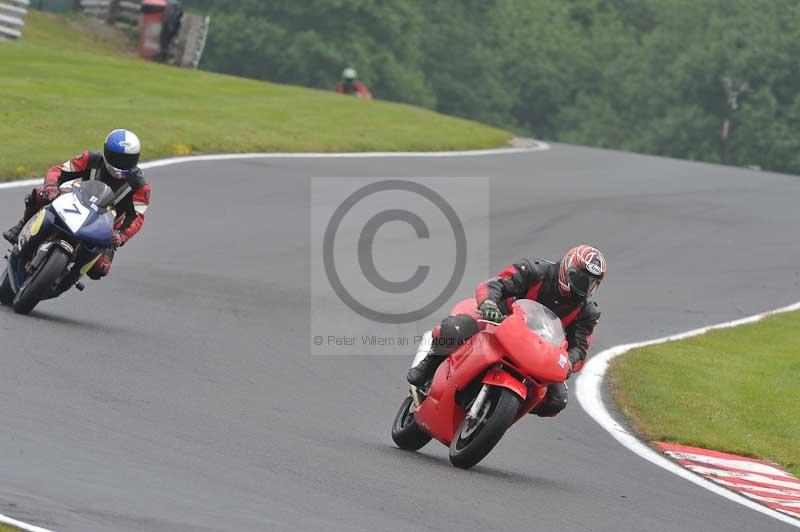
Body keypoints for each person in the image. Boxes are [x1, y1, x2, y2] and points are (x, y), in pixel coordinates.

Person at [407, 245, 606, 418]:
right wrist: (489, 304)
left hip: (540, 350)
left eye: (590, 284)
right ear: (566, 268)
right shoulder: (535, 270)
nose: (583, 288)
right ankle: (429, 365)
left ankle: (507, 407)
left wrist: (569, 362)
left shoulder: (588, 311)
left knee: (556, 400)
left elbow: (580, 348)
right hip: (499, 323)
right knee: (456, 328)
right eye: (579, 280)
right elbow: (495, 284)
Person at [3, 129, 151, 281]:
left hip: (106, 225)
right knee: (39, 195)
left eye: (127, 160)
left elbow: (137, 216)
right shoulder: (90, 158)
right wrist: (51, 187)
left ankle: (69, 276)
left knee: (100, 269)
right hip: (77, 200)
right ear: (106, 152)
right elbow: (59, 170)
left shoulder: (140, 186)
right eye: (117, 158)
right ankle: (21, 226)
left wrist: (121, 235)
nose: (121, 164)